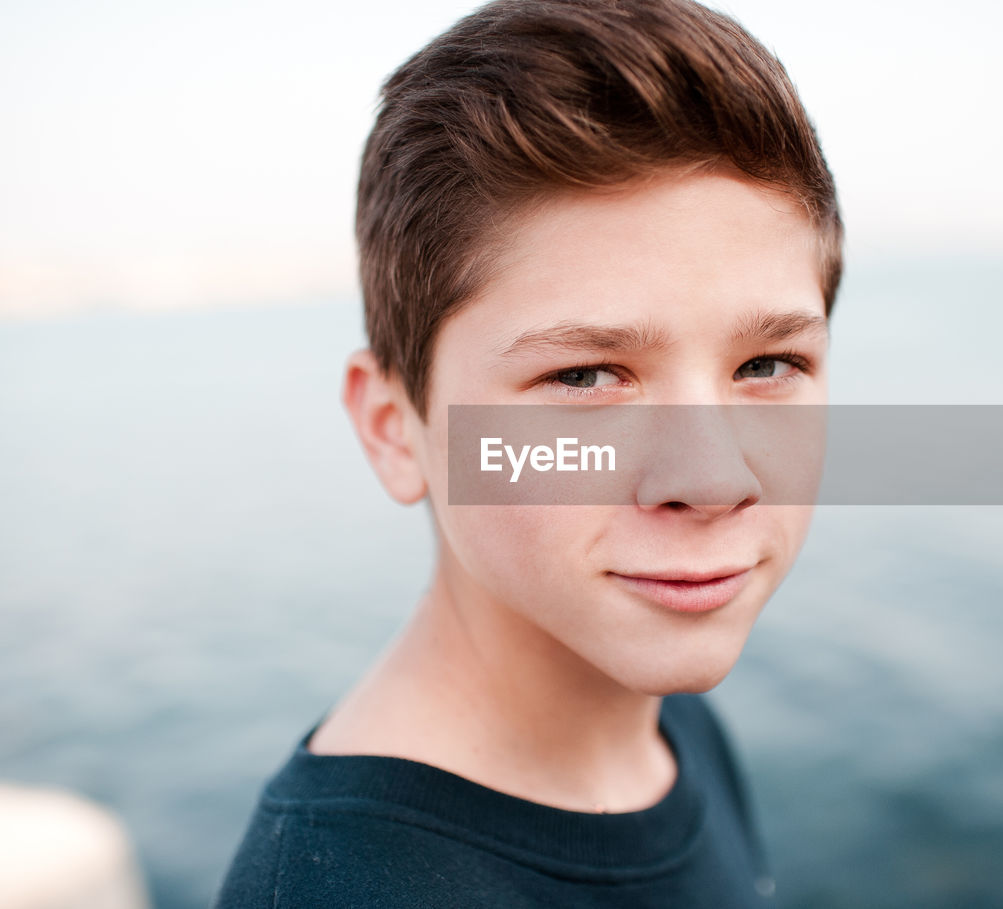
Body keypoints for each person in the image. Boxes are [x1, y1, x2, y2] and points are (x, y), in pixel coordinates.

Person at [211, 0, 842, 904]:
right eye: (586, 377)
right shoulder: (341, 886)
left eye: (768, 364)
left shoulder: (672, 721)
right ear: (395, 428)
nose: (714, 479)